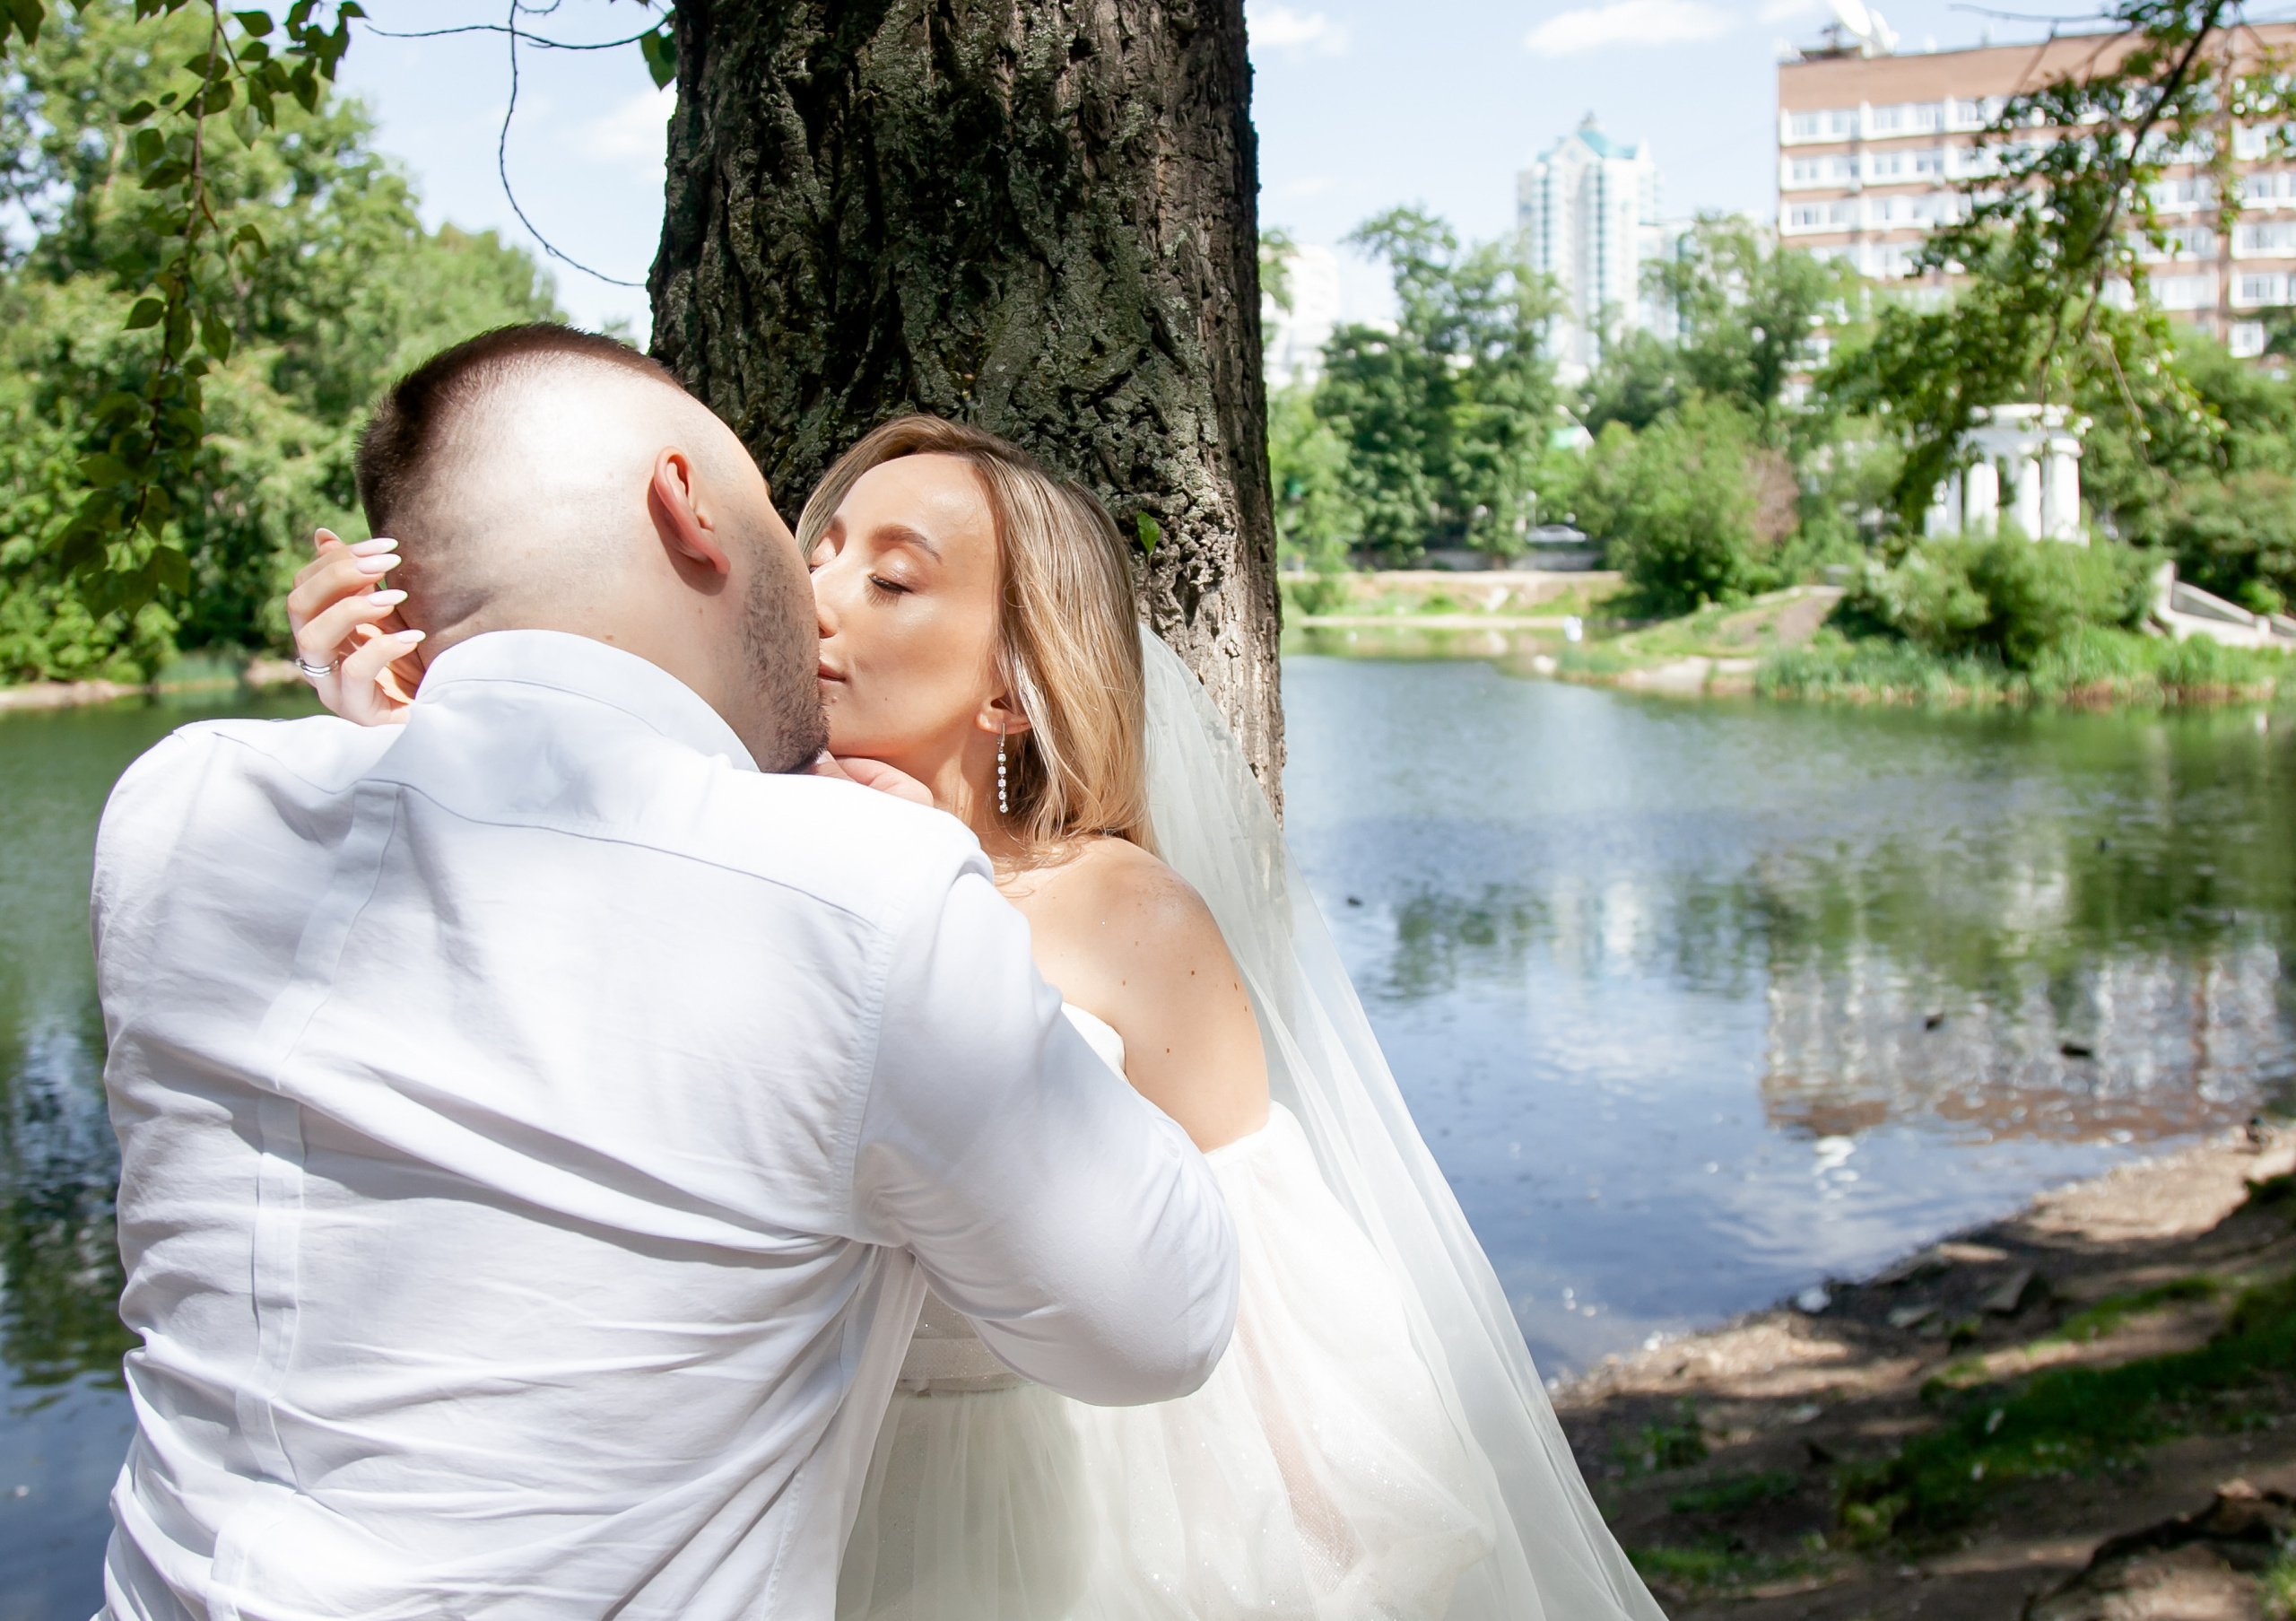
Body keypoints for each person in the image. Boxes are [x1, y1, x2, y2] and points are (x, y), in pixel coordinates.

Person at [291, 402, 1668, 1620]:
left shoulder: (1126, 922)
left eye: (891, 579)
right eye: (812, 552)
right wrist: (408, 751)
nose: (816, 598)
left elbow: (1268, 1305)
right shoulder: (705, 858)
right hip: (739, 1531)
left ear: (1012, 681)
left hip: (1063, 1528)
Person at [88, 327, 1240, 1621]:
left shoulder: (175, 811)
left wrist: (416, 750)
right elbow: (1160, 1324)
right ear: (691, 509)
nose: (817, 597)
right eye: (791, 529)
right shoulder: (865, 893)